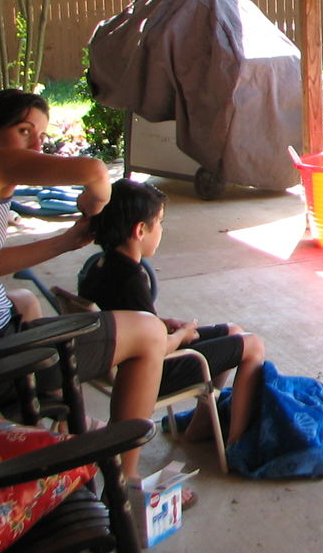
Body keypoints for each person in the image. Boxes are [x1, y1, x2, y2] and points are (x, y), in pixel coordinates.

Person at [0, 89, 169, 482]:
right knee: (150, 332)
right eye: (24, 131)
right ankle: (126, 480)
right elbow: (95, 172)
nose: (37, 146)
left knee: (23, 299)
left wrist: (65, 242)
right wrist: (95, 204)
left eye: (41, 134)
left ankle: (49, 422)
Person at [80, 179, 265, 450]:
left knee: (233, 331)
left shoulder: (98, 266)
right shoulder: (130, 279)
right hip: (145, 375)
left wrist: (163, 323)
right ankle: (237, 444)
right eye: (159, 222)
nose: (161, 230)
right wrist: (180, 335)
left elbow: (125, 318)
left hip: (115, 359)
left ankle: (201, 424)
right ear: (140, 230)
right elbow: (153, 347)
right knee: (253, 345)